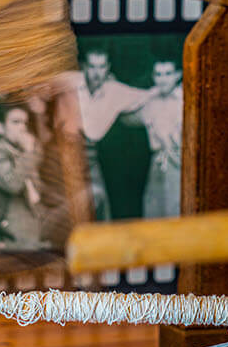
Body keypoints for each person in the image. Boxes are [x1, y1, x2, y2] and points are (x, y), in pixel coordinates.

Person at [71, 48, 156, 220]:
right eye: (93, 66)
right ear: (84, 67)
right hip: (71, 156)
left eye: (102, 67)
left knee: (100, 204)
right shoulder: (74, 87)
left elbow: (146, 96)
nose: (97, 73)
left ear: (108, 68)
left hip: (97, 158)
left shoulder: (114, 90)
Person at [0, 105, 43, 249]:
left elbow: (41, 187)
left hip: (37, 220)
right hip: (14, 230)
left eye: (25, 123)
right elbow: (13, 184)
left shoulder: (24, 151)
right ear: (0, 128)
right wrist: (28, 153)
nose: (23, 128)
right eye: (16, 122)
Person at [138, 59, 183, 218]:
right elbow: (127, 116)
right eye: (158, 74)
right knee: (154, 212)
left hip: (180, 162)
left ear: (178, 75)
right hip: (157, 163)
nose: (163, 79)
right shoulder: (150, 99)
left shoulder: (185, 98)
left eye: (168, 74)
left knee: (177, 211)